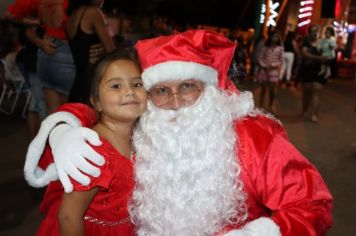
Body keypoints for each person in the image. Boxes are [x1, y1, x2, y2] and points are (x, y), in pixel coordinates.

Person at [24, 30, 333, 235]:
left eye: (188, 86)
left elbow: (313, 205)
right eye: (161, 90)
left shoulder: (253, 135)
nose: (174, 102)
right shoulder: (148, 125)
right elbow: (107, 108)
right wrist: (63, 127)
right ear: (149, 96)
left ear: (209, 89)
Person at [35, 50, 146, 235]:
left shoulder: (139, 137)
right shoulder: (94, 152)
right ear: (97, 102)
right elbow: (69, 216)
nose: (129, 91)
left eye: (137, 84)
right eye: (116, 86)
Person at [5, 0, 76, 114]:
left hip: (45, 53)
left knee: (51, 112)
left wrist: (39, 36)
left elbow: (9, 15)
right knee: (68, 112)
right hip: (65, 52)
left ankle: (50, 132)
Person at [66, 0, 116, 103]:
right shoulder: (93, 12)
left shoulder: (72, 16)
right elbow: (112, 51)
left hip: (78, 85)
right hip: (92, 83)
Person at [300, 25, 330, 123]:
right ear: (309, 32)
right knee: (307, 92)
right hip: (307, 69)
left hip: (320, 70)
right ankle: (305, 111)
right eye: (313, 31)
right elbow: (304, 54)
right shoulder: (306, 42)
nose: (315, 32)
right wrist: (318, 58)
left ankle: (313, 114)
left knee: (316, 92)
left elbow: (328, 54)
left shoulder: (323, 42)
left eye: (316, 31)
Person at [257, 30, 284, 113]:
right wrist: (263, 65)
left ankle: (271, 104)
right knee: (263, 89)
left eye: (276, 36)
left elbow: (281, 60)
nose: (274, 38)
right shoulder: (265, 47)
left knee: (272, 90)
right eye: (273, 36)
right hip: (264, 70)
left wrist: (272, 65)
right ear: (270, 37)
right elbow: (260, 57)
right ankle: (260, 106)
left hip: (274, 71)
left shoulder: (280, 48)